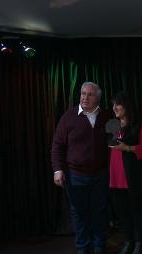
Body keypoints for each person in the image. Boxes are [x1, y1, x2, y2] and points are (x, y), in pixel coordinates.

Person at [51, 82, 110, 254]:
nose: (85, 97)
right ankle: (83, 248)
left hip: (100, 174)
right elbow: (57, 146)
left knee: (99, 212)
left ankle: (99, 246)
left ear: (98, 98)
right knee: (79, 213)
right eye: (83, 93)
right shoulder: (68, 117)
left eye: (90, 94)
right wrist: (57, 169)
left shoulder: (106, 117)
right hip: (75, 175)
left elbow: (117, 137)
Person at [109, 91, 142, 254]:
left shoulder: (141, 124)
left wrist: (127, 148)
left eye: (117, 104)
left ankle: (139, 243)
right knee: (122, 211)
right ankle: (128, 241)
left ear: (127, 105)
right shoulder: (112, 124)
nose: (114, 108)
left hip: (133, 175)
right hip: (115, 175)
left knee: (137, 210)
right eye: (113, 105)